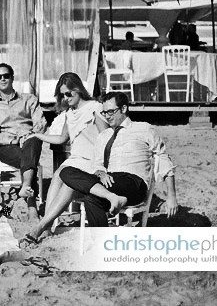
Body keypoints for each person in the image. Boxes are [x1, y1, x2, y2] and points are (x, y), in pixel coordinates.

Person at [59, 91, 178, 227]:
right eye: (104, 113)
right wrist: (101, 173)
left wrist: (171, 196)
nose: (107, 117)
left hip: (134, 183)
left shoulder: (143, 128)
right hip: (110, 183)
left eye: (111, 112)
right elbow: (97, 164)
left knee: (91, 195)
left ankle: (101, 237)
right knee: (67, 173)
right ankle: (104, 236)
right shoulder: (104, 136)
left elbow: (163, 158)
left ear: (123, 108)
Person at [18, 73, 104, 245]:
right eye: (62, 95)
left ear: (78, 90)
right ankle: (48, 227)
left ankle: (41, 227)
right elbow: (62, 138)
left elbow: (106, 137)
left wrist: (102, 164)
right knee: (57, 175)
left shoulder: (95, 107)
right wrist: (37, 135)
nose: (66, 98)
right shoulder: (69, 113)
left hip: (92, 160)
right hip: (76, 158)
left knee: (66, 181)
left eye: (69, 94)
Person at [0, 63, 45, 220]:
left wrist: (29, 134)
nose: (3, 79)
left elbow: (41, 124)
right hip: (7, 147)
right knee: (29, 159)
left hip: (29, 141)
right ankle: (31, 205)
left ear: (12, 78)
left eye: (6, 76)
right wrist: (12, 140)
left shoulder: (29, 99)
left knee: (33, 141)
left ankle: (25, 189)